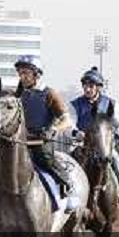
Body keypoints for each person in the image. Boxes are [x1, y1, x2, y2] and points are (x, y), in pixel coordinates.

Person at [12, 55, 74, 196]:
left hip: (40, 142)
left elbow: (67, 120)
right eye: (20, 73)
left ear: (37, 74)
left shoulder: (49, 94)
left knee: (46, 160)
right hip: (19, 142)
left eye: (26, 73)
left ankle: (67, 184)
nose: (22, 77)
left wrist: (53, 129)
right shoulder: (18, 95)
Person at [71, 66, 119, 202]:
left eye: (90, 86)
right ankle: (67, 191)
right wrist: (76, 133)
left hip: (103, 145)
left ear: (98, 87)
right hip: (82, 144)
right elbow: (70, 123)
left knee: (115, 159)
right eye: (85, 86)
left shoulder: (111, 104)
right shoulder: (75, 104)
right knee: (67, 162)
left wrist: (115, 138)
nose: (87, 89)